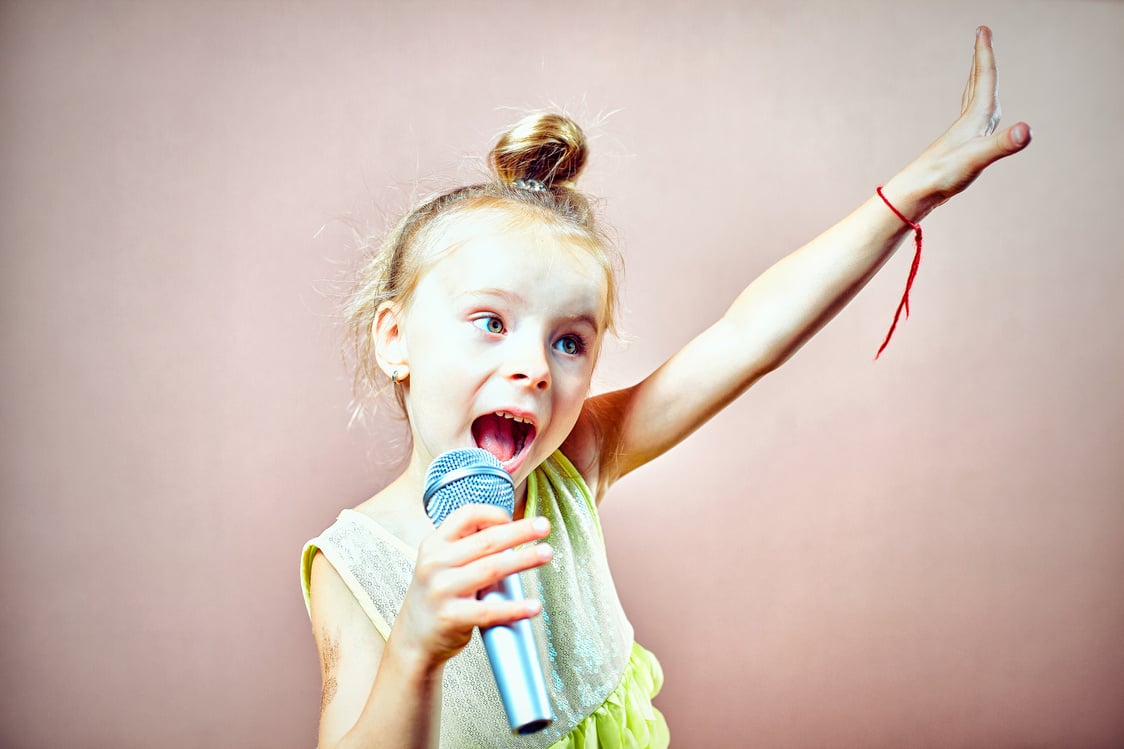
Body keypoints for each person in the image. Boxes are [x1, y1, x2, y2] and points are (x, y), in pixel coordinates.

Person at [300, 26, 1030, 749]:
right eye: (491, 321)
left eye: (568, 340)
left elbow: (747, 336)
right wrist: (416, 653)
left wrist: (918, 188)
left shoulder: (575, 460)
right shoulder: (353, 560)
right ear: (395, 338)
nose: (535, 367)